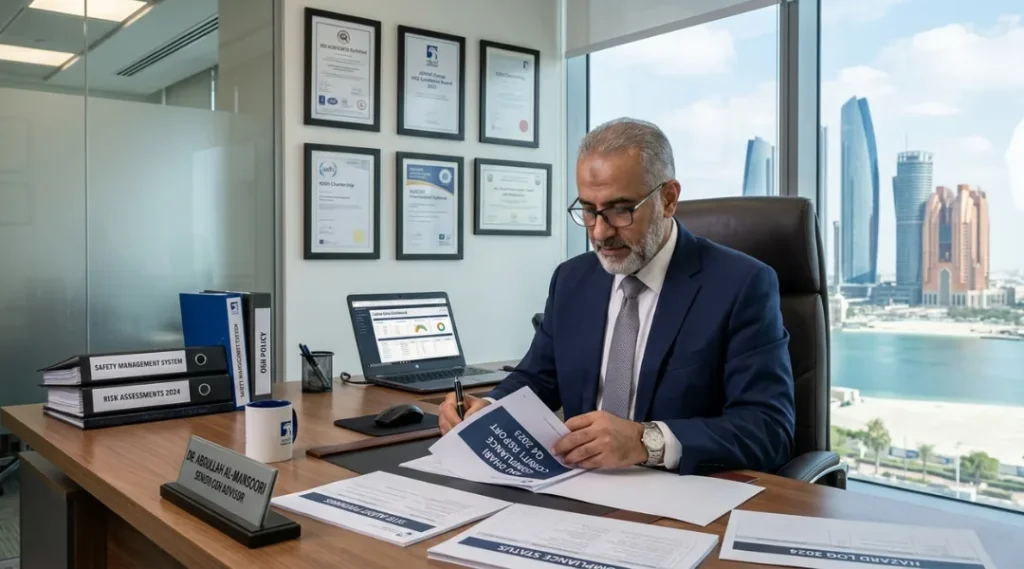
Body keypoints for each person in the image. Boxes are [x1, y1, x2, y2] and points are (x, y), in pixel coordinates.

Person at [439, 117, 795, 475]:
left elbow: (768, 430)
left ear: (668, 199)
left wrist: (645, 441)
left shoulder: (741, 284)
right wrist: (488, 406)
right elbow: (538, 379)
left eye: (620, 210)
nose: (600, 232)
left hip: (683, 494)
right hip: (577, 487)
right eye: (589, 211)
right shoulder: (572, 279)